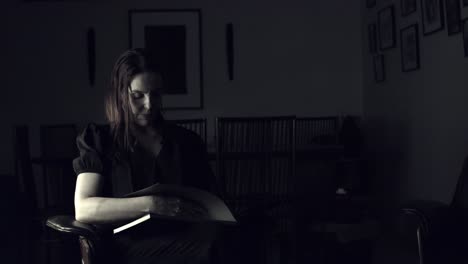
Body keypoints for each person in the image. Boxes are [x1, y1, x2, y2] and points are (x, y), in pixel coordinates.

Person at [73, 48, 217, 264]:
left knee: (240, 235)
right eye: (137, 96)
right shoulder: (99, 139)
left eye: (156, 94)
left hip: (185, 236)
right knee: (210, 250)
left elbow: (208, 200)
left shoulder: (187, 141)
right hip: (126, 246)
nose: (149, 105)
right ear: (120, 95)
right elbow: (83, 208)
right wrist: (152, 204)